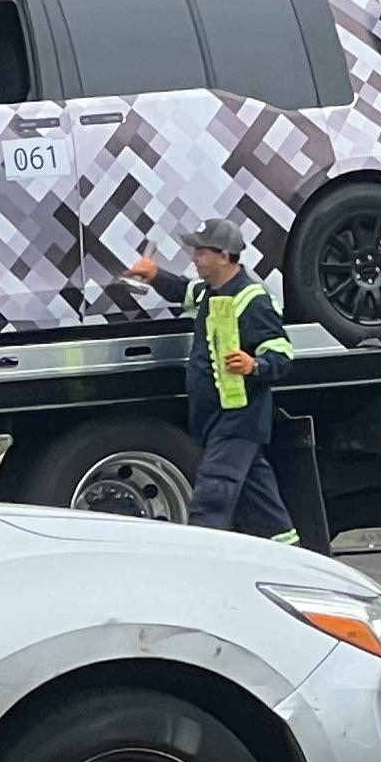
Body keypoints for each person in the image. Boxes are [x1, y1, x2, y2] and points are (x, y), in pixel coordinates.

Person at [124, 218, 301, 543]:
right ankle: (291, 551)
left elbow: (283, 355)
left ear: (224, 255)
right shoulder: (210, 291)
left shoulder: (253, 300)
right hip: (217, 417)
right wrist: (154, 274)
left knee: (211, 499)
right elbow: (182, 290)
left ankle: (203, 558)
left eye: (201, 252)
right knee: (261, 504)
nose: (194, 258)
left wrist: (254, 365)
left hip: (238, 418)